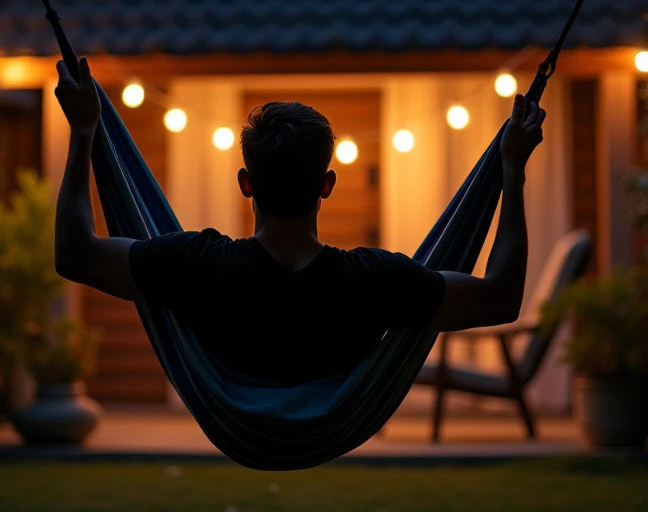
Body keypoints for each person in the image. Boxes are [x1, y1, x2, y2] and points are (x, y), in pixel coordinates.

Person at [54, 57, 545, 386]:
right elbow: (501, 297)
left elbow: (74, 253)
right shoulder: (374, 282)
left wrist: (82, 132)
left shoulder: (194, 264)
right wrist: (513, 171)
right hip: (340, 417)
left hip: (230, 421)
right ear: (326, 185)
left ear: (246, 183)